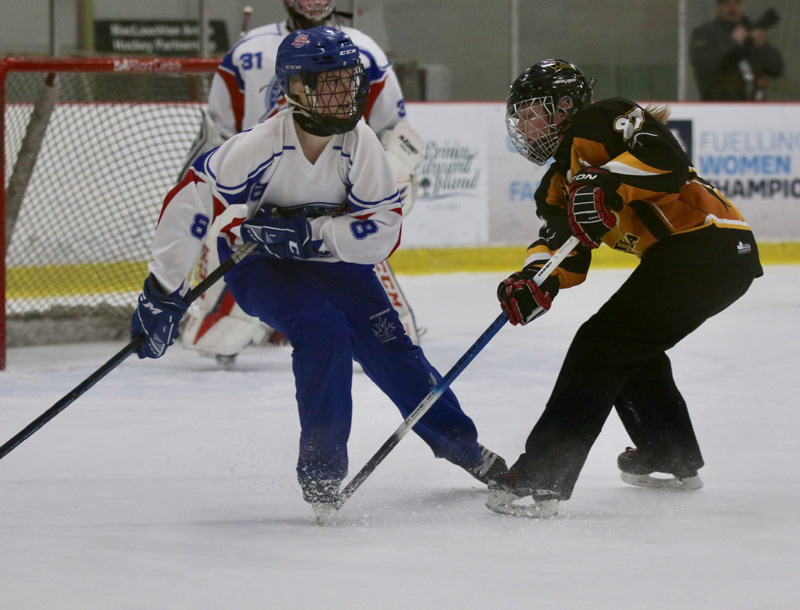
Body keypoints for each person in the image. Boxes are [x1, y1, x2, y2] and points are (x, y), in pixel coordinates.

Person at [130, 27, 506, 524]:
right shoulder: (260, 143)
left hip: (336, 265)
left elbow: (381, 231)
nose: (341, 93)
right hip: (259, 265)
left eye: (348, 80)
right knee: (323, 331)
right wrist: (161, 290)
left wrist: (311, 234)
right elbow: (191, 203)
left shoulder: (360, 143)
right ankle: (323, 472)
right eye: (325, 82)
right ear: (293, 89)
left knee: (394, 348)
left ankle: (463, 446)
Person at [486, 59, 763, 519]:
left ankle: (543, 474)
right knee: (631, 348)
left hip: (708, 243)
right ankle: (669, 455)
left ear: (564, 106)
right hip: (702, 258)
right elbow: (564, 249)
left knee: (601, 344)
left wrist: (606, 179)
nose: (524, 124)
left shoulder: (601, 120)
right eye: (521, 116)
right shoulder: (555, 184)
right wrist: (535, 280)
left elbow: (666, 161)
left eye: (532, 111)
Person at [180, 0, 424, 366]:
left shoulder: (364, 50)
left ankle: (375, 326)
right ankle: (262, 316)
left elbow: (395, 132)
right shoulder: (247, 52)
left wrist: (391, 177)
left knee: (360, 255)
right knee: (216, 338)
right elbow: (218, 133)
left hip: (339, 191)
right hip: (263, 195)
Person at [690, 0, 783, 101]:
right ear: (718, 7)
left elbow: (776, 69)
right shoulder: (705, 33)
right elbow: (704, 65)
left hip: (755, 108)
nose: (733, 9)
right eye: (727, 4)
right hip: (718, 107)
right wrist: (733, 43)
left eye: (737, 3)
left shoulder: (751, 31)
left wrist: (762, 46)